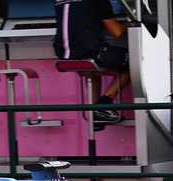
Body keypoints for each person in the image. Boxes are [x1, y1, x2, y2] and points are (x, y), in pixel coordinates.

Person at [53, 0, 131, 130]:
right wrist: (134, 20)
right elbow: (116, 31)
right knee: (134, 62)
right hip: (89, 52)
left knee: (91, 67)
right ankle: (104, 103)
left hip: (64, 55)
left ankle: (95, 112)